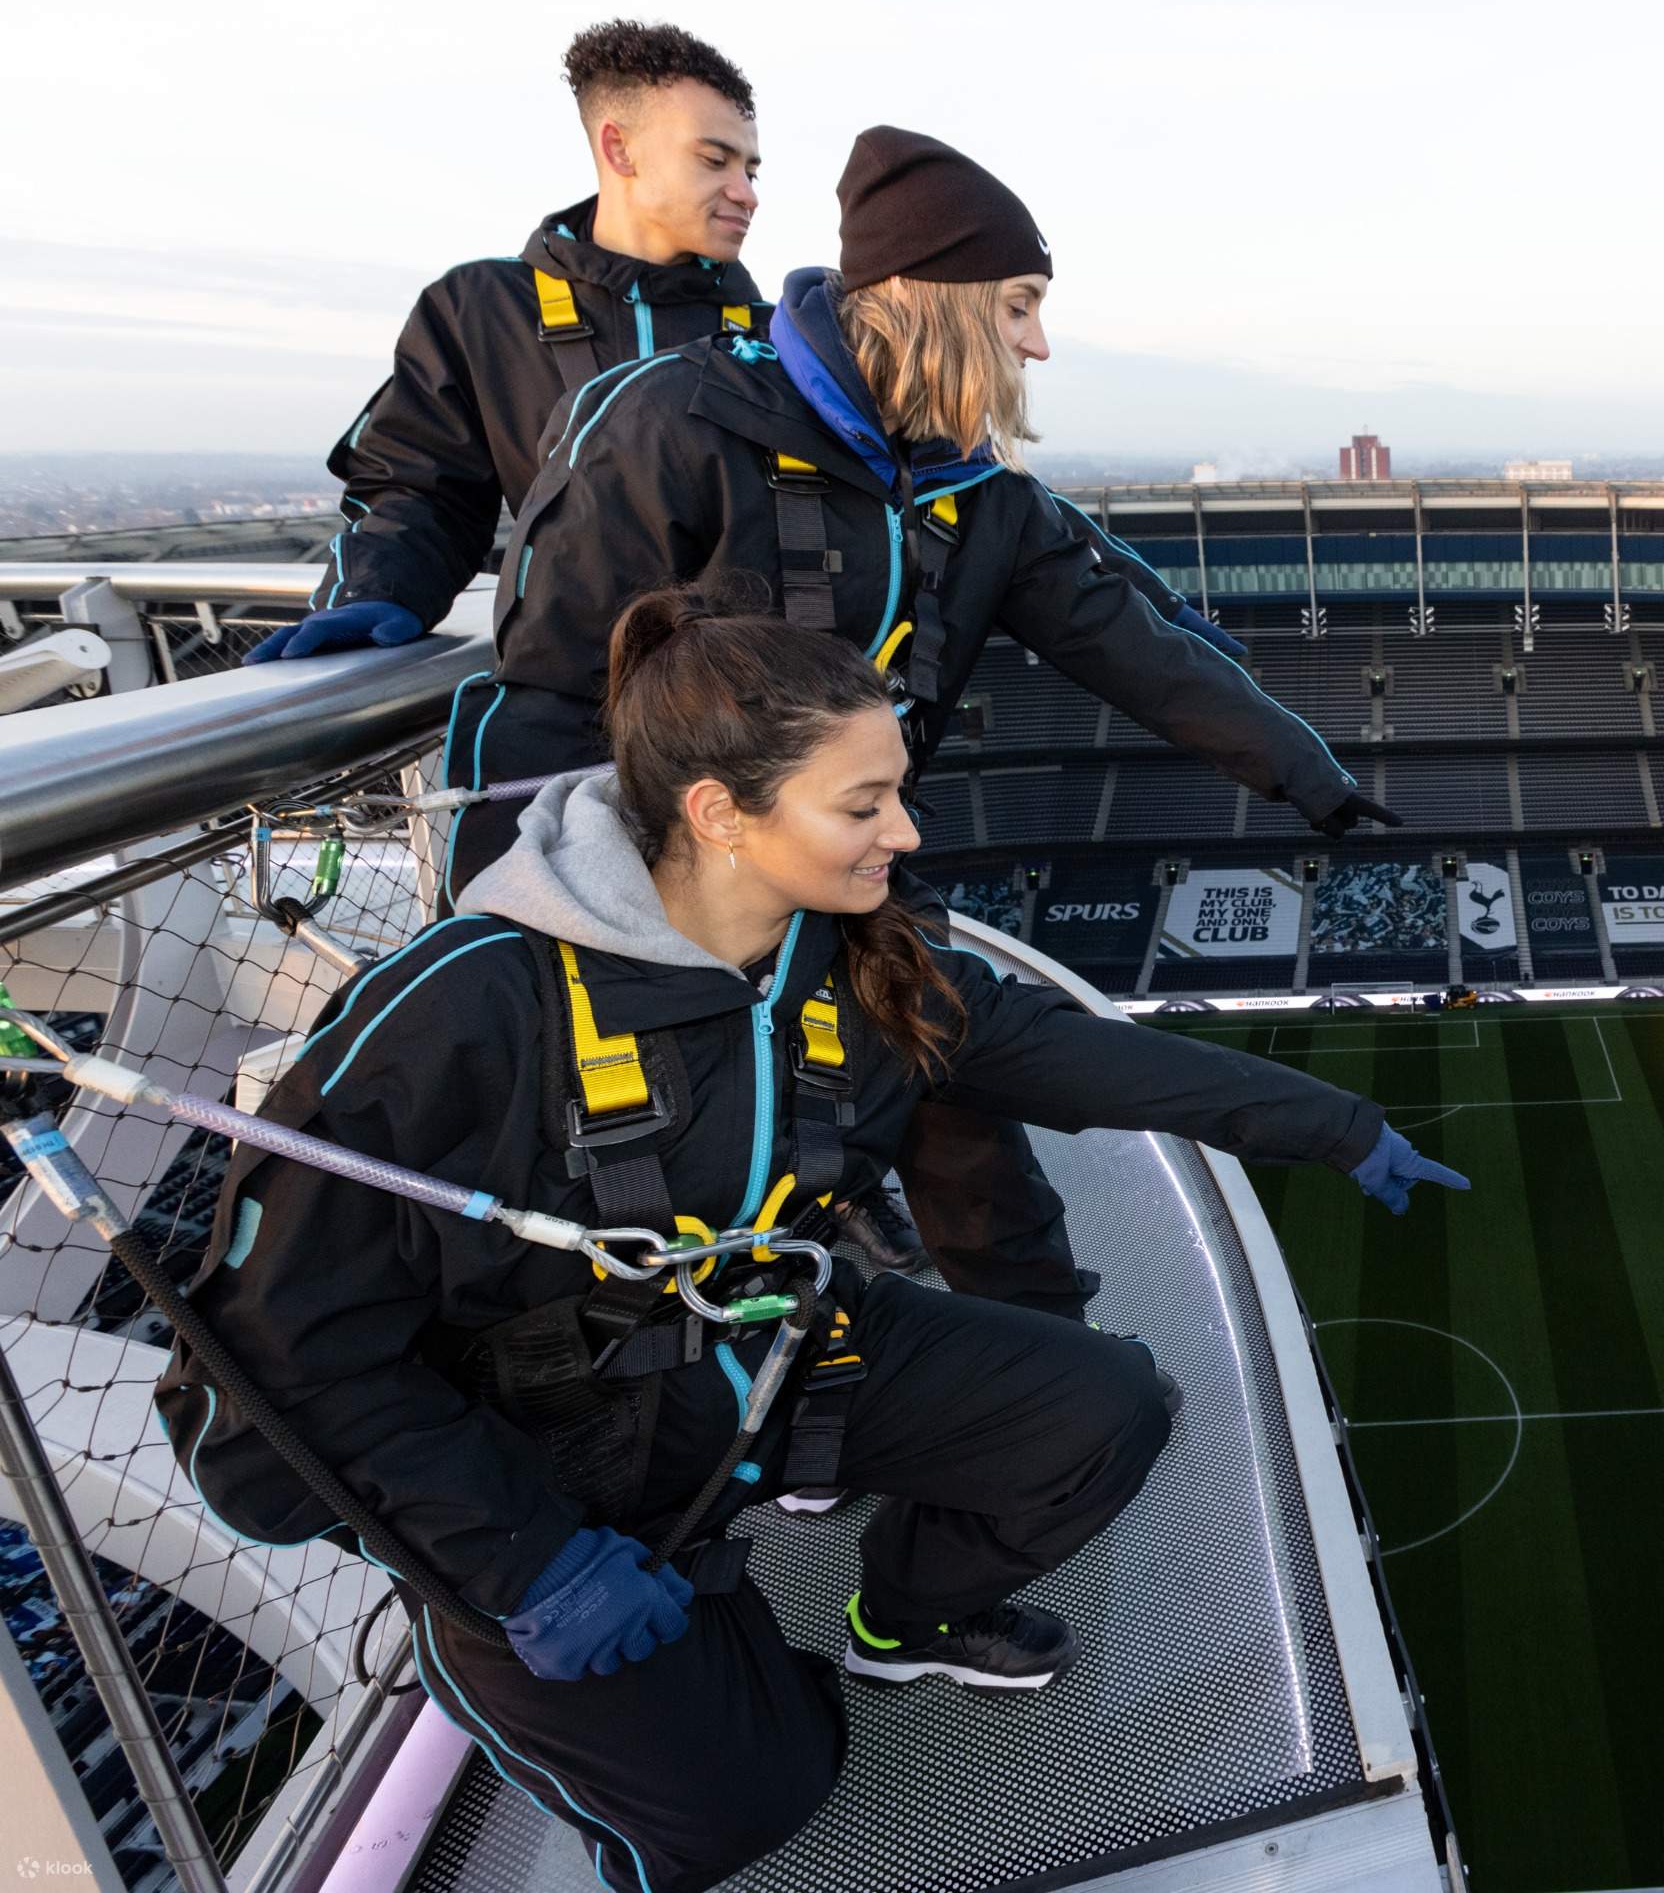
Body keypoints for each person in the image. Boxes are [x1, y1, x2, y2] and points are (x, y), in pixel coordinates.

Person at [156, 590, 1466, 1893]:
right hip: (552, 1472)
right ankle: (583, 1657)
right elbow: (281, 1361)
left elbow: (1074, 1060)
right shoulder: (457, 1015)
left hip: (776, 1369)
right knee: (753, 1802)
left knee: (1099, 1407)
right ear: (720, 813)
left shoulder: (851, 962)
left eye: (896, 791)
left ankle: (902, 1619)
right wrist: (526, 1564)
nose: (905, 829)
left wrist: (1339, 1128)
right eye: (864, 803)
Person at [451, 123, 1397, 1332]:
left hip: (855, 864)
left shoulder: (973, 489)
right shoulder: (670, 424)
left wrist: (1308, 773)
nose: (1037, 344)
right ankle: (725, 1405)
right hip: (674, 902)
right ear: (930, 298)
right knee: (708, 1155)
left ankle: (1054, 1369)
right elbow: (548, 692)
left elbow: (1133, 640)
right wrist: (572, 925)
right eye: (1017, 307)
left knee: (966, 1132)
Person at [246, 22, 772, 665]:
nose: (746, 193)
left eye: (750, 168)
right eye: (715, 160)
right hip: (573, 705)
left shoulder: (773, 335)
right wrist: (380, 592)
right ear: (620, 150)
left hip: (760, 718)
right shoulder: (482, 310)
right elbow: (422, 487)